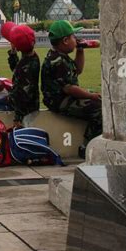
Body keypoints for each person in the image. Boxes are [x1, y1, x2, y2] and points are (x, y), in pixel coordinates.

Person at [41, 19, 102, 159]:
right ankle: (87, 147)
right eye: (73, 37)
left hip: (66, 97)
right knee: (100, 110)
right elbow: (69, 89)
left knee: (98, 100)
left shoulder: (61, 57)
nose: (76, 39)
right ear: (65, 41)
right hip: (60, 101)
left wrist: (80, 50)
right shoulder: (57, 61)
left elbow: (78, 70)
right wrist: (91, 96)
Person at [7, 24, 40, 128]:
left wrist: (18, 117)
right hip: (28, 104)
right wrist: (13, 52)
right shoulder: (32, 57)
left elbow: (23, 94)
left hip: (24, 108)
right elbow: (16, 68)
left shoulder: (25, 66)